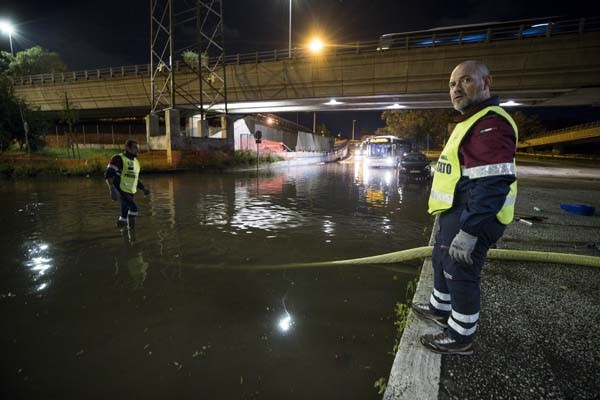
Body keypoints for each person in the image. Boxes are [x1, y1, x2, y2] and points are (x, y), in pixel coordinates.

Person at [412, 60, 518, 355]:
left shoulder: (491, 124)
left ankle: (460, 336)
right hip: (455, 211)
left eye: (465, 81)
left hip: (473, 216)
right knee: (442, 261)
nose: (456, 88)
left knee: (460, 272)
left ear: (486, 83)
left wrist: (470, 230)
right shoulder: (472, 121)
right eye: (452, 84)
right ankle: (439, 309)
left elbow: (493, 183)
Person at [105, 140, 150, 228]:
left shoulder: (136, 162)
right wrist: (112, 190)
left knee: (124, 216)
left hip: (130, 191)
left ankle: (127, 234)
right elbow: (108, 174)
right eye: (135, 148)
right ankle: (130, 234)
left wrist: (143, 189)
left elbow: (135, 178)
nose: (137, 150)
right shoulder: (118, 158)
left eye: (138, 148)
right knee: (134, 210)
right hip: (120, 189)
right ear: (128, 148)